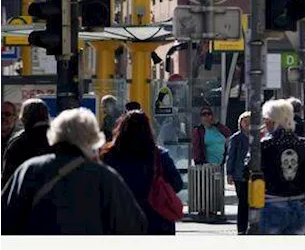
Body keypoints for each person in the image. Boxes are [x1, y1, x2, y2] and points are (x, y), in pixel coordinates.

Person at [0, 108, 146, 235]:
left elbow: (6, 217)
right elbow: (132, 225)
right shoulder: (104, 177)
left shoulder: (29, 170)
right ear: (92, 138)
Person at [101, 110, 186, 235]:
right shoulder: (159, 156)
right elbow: (177, 184)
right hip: (157, 221)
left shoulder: (109, 156)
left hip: (119, 220)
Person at [259, 99, 305, 235]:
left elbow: (249, 169)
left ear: (272, 120)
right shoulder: (304, 145)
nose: (265, 122)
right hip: (299, 203)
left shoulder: (265, 145)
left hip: (273, 201)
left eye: (266, 119)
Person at [1, 99, 53, 188]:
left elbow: (7, 182)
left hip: (24, 196)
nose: (3, 118)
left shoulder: (18, 143)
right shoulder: (60, 139)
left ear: (23, 118)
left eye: (7, 114)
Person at [225, 112, 252, 235]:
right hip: (239, 175)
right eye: (244, 120)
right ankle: (241, 228)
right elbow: (231, 156)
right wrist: (229, 173)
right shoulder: (236, 138)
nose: (247, 123)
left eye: (249, 120)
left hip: (253, 175)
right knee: (243, 202)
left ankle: (252, 225)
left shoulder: (257, 137)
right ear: (240, 123)